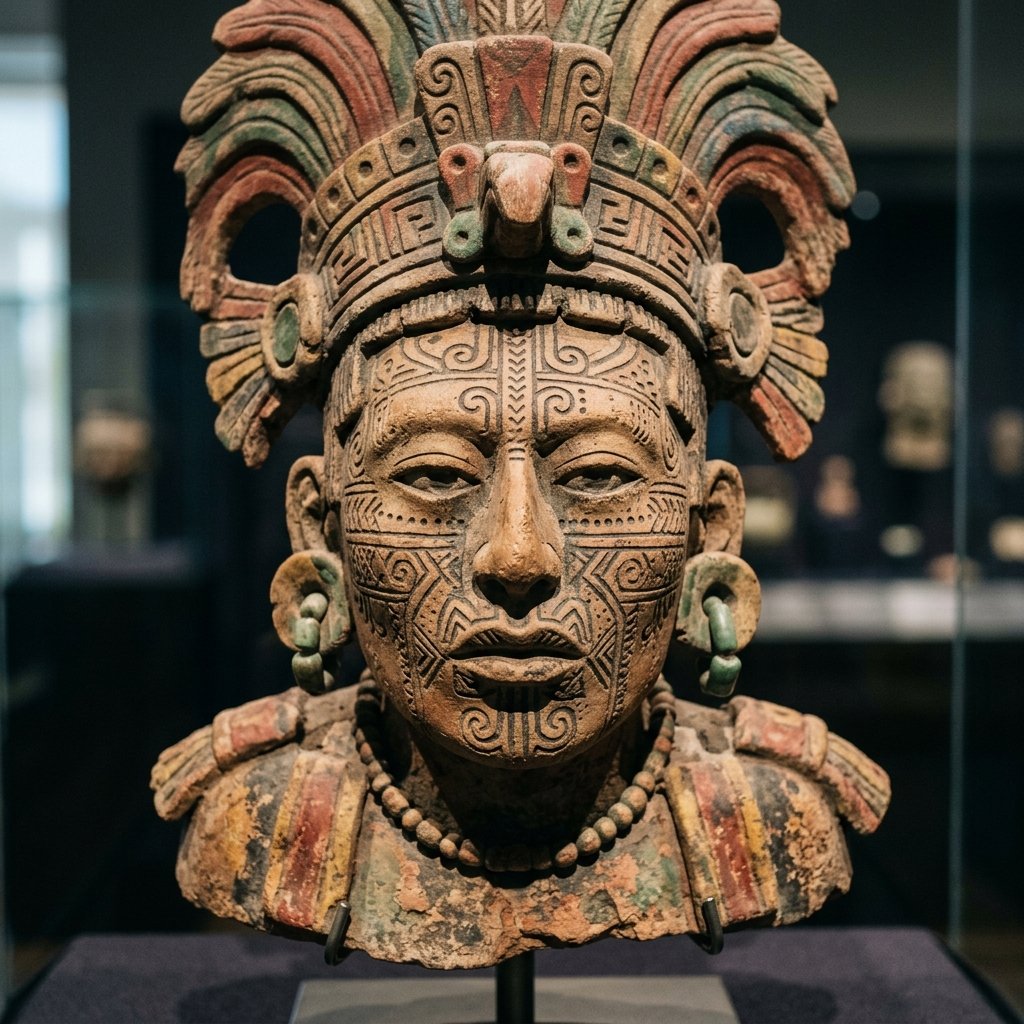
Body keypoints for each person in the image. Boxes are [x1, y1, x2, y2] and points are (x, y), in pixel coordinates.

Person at [152, 0, 889, 968]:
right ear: (318, 530)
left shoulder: (772, 815)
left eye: (597, 474)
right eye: (429, 474)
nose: (517, 555)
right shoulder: (255, 820)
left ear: (710, 534)